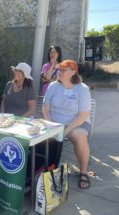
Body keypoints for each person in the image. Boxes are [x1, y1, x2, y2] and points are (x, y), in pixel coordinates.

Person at [43, 60, 92, 189]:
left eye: (64, 70)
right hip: (55, 122)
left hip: (77, 123)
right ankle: (45, 168)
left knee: (79, 136)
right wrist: (51, 125)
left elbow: (83, 116)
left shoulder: (82, 89)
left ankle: (83, 171)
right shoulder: (53, 86)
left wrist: (65, 131)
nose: (60, 72)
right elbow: (46, 109)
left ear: (73, 72)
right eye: (59, 69)